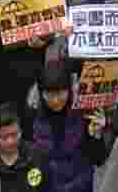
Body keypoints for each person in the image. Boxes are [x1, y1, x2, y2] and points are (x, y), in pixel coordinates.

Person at [30, 63, 107, 192]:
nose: (55, 100)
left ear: (69, 90)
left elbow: (99, 159)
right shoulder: (31, 117)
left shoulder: (84, 113)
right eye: (49, 94)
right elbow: (30, 165)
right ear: (41, 92)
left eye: (60, 93)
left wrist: (97, 134)